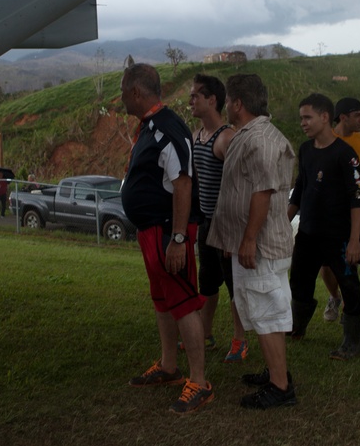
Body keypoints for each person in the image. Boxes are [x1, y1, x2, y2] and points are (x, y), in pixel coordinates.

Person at [119, 64, 213, 414]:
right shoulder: (150, 126)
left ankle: (200, 382)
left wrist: (177, 238)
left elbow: (183, 182)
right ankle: (169, 366)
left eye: (124, 91)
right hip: (151, 230)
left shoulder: (167, 128)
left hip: (168, 230)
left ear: (137, 93)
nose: (121, 97)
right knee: (163, 299)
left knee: (183, 300)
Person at [207, 73, 298, 409]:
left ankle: (280, 386)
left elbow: (262, 191)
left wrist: (247, 240)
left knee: (268, 310)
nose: (226, 106)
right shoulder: (253, 134)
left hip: (260, 245)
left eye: (228, 100)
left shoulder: (259, 138)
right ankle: (277, 372)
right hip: (255, 244)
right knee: (262, 310)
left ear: (237, 104)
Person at [288, 93, 360, 360]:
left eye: (307, 117)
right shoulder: (306, 150)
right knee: (299, 281)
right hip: (308, 233)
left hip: (339, 236)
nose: (303, 123)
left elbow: (358, 198)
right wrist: (282, 222)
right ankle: (297, 328)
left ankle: (352, 343)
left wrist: (355, 240)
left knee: (349, 285)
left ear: (324, 117)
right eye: (301, 118)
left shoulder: (346, 154)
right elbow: (300, 190)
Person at [188, 73, 249, 363]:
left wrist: (234, 231)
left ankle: (240, 340)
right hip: (206, 223)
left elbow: (239, 187)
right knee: (208, 284)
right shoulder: (196, 136)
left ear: (212, 100)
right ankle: (206, 334)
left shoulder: (227, 138)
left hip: (227, 225)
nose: (190, 100)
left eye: (195, 95)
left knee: (234, 285)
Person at [319, 96, 360, 323]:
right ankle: (334, 297)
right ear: (343, 117)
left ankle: (351, 309)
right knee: (326, 264)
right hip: (328, 216)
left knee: (350, 263)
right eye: (357, 115)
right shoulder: (326, 139)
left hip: (355, 214)